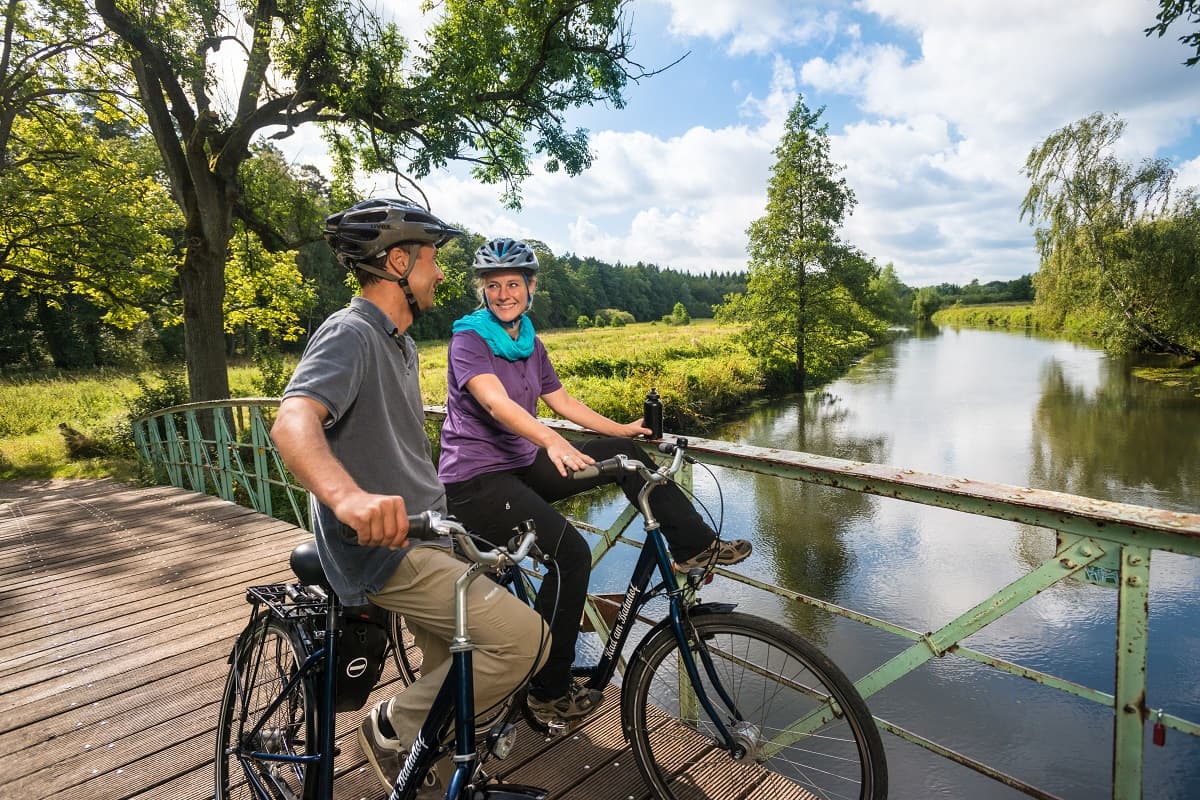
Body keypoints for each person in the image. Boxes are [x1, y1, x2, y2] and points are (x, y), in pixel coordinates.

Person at [270, 202, 548, 796]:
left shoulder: (399, 341)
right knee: (528, 640)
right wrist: (348, 499)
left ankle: (434, 768)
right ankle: (389, 727)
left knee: (458, 659)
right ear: (398, 263)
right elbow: (292, 419)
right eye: (432, 261)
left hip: (428, 533)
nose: (441, 275)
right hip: (384, 550)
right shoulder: (351, 333)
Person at [437, 237, 752, 722]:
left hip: (522, 463)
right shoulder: (469, 340)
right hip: (477, 479)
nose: (503, 294)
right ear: (482, 291)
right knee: (570, 554)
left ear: (530, 287)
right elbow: (495, 402)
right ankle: (547, 687)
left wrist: (620, 429)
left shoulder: (529, 341)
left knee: (622, 455)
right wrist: (550, 442)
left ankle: (692, 545)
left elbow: (562, 401)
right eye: (493, 285)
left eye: (513, 284)